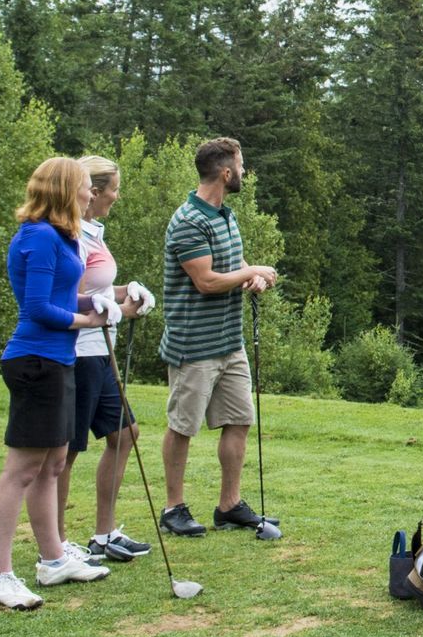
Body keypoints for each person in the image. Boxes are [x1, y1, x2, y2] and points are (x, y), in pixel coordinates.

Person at [0, 158, 117, 609]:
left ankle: (53, 559)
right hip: (35, 361)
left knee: (54, 463)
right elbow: (38, 307)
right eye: (84, 187)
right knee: (22, 468)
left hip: (58, 359)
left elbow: (63, 296)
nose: (89, 194)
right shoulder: (39, 237)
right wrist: (87, 320)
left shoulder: (61, 237)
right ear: (66, 190)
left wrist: (103, 302)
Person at [156, 137, 278, 538]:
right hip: (194, 346)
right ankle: (174, 508)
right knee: (183, 426)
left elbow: (232, 263)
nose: (244, 172)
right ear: (226, 173)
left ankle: (229, 505)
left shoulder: (224, 215)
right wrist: (249, 272)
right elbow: (206, 281)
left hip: (229, 342)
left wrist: (251, 276)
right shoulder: (189, 221)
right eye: (241, 166)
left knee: (239, 419)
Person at [55, 154, 157, 563]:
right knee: (67, 451)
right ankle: (58, 543)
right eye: (113, 188)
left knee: (124, 435)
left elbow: (97, 288)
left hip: (102, 351)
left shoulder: (94, 232)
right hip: (78, 353)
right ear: (93, 192)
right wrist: (116, 304)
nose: (117, 195)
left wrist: (125, 292)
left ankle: (103, 533)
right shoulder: (73, 235)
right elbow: (68, 294)